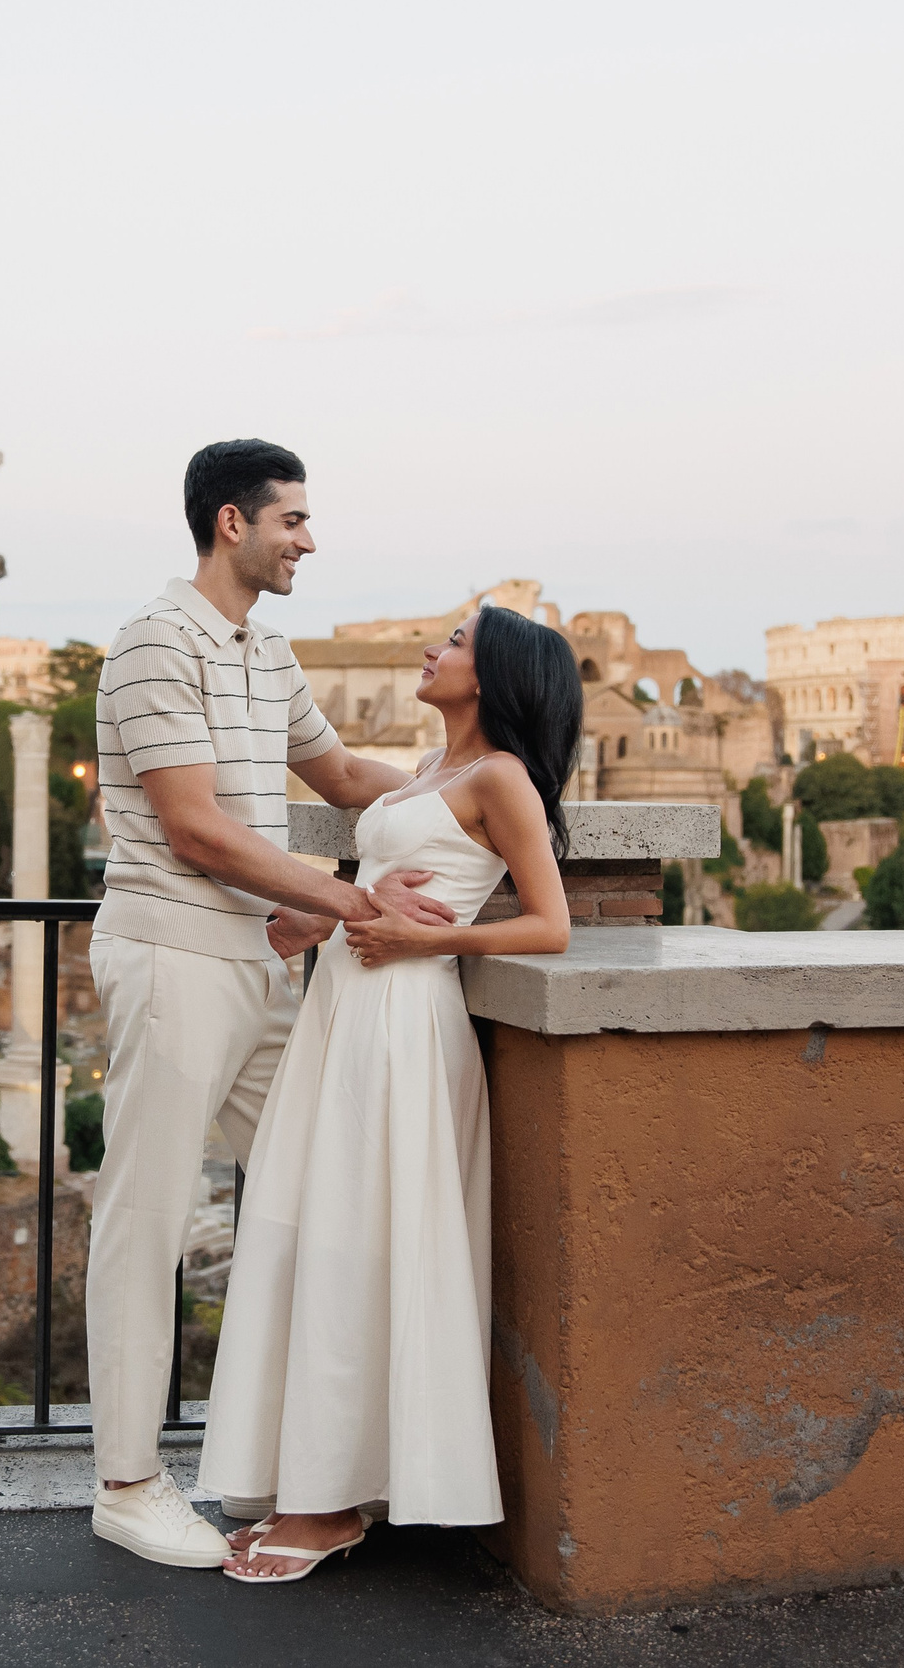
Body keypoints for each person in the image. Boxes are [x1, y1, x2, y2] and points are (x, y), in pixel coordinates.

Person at [86, 439, 452, 1567]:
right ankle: (128, 1483)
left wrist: (481, 792)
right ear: (231, 524)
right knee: (145, 1222)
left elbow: (339, 779)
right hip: (171, 956)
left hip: (256, 962)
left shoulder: (264, 648)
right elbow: (196, 827)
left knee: (316, 1190)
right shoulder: (156, 640)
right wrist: (346, 896)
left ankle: (318, 1461)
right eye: (292, 518)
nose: (308, 538)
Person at [201, 603, 583, 1584]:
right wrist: (321, 921)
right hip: (346, 1015)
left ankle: (328, 1506)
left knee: (358, 1239)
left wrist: (432, 939)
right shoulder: (426, 771)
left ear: (495, 675)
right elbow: (339, 802)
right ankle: (322, 1488)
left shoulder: (500, 780)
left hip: (407, 1028)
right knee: (322, 1234)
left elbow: (550, 926)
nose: (430, 648)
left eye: (453, 642)